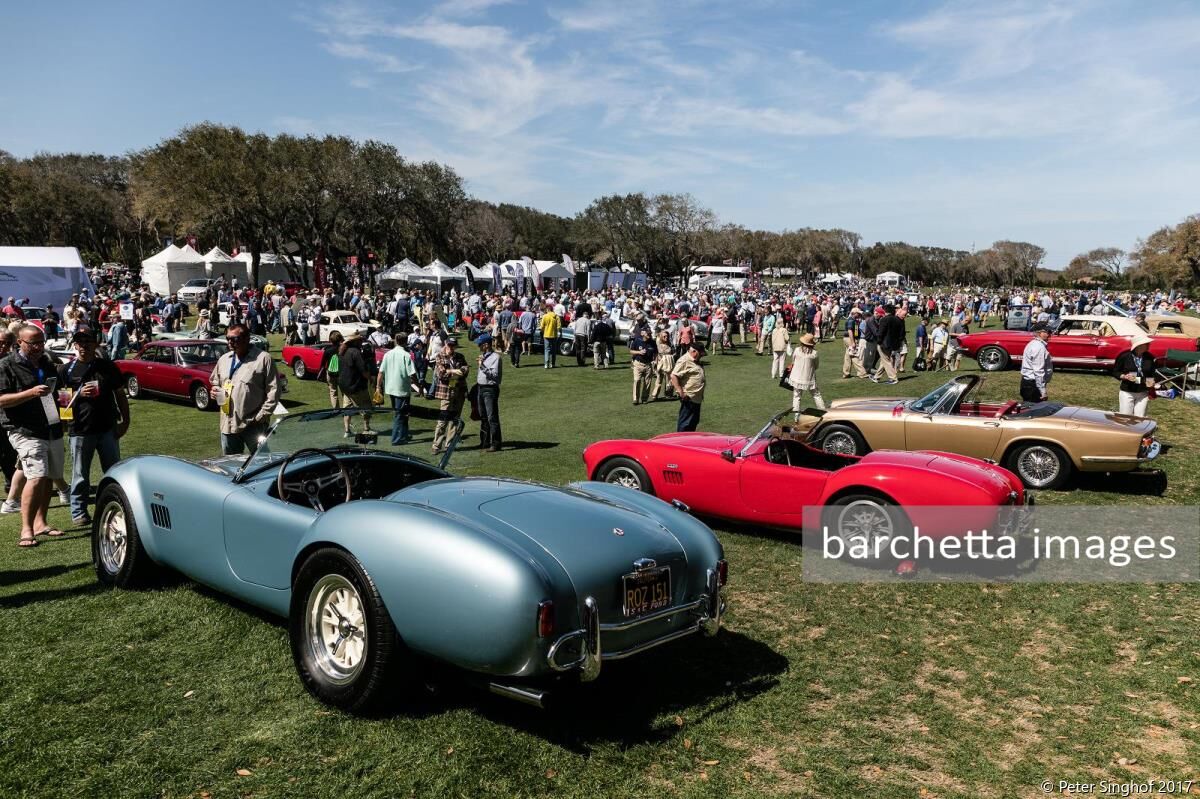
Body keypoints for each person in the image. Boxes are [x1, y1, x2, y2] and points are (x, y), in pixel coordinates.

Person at [56, 327, 129, 525]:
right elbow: (63, 403)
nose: (83, 346)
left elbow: (120, 395)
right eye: (79, 342)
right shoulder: (65, 370)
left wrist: (125, 421)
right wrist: (78, 397)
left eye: (88, 341)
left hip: (107, 427)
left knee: (114, 471)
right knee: (80, 474)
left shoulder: (107, 367)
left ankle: (114, 505)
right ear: (74, 345)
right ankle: (78, 511)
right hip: (80, 429)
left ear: (96, 344)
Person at [0, 325, 66, 545]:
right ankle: (26, 530)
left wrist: (64, 403)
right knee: (36, 476)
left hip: (51, 426)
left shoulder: (47, 363)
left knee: (48, 476)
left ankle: (41, 523)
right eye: (33, 343)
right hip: (23, 430)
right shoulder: (6, 365)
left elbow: (56, 391)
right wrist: (30, 393)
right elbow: (1, 400)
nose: (38, 347)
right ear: (20, 342)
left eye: (41, 342)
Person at [210, 323, 279, 455]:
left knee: (262, 461)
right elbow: (215, 382)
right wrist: (214, 390)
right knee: (231, 463)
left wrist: (260, 417)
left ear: (247, 338)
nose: (230, 342)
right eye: (228, 338)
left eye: (234, 339)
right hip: (228, 423)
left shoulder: (263, 359)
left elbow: (274, 391)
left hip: (254, 424)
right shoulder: (224, 359)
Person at [431, 337, 469, 455]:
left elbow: (465, 371)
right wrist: (454, 372)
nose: (451, 348)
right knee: (443, 420)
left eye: (453, 345)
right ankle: (436, 445)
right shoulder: (439, 356)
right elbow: (441, 374)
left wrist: (451, 371)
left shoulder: (460, 357)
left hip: (459, 391)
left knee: (455, 419)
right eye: (450, 345)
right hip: (446, 392)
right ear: (446, 345)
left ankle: (449, 444)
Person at [377, 333, 416, 445]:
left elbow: (381, 372)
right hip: (402, 390)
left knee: (402, 413)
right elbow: (412, 374)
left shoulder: (388, 354)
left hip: (391, 389)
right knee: (400, 415)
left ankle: (403, 435)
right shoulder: (406, 355)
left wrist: (378, 387)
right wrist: (419, 385)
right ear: (405, 341)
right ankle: (396, 439)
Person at [337, 334, 376, 436]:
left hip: (345, 385)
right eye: (359, 341)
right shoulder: (355, 352)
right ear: (355, 342)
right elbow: (363, 370)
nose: (361, 342)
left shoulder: (342, 351)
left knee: (347, 409)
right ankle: (366, 429)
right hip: (355, 386)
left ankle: (347, 431)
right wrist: (371, 378)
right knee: (366, 406)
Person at [1113, 333, 1156, 416]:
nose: (1149, 345)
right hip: (1127, 391)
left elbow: (1152, 373)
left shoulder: (1149, 357)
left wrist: (1152, 383)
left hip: (1143, 392)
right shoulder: (1125, 356)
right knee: (1125, 417)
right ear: (1139, 345)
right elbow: (1115, 372)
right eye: (1146, 344)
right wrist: (1124, 376)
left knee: (1140, 418)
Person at [474, 333, 502, 452]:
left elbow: (494, 375)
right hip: (481, 388)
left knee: (492, 417)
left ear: (486, 345)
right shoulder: (483, 356)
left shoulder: (496, 357)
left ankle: (495, 443)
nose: (478, 346)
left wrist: (482, 366)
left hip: (490, 390)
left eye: (480, 344)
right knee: (483, 417)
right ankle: (484, 442)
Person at [670, 342, 706, 433]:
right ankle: (680, 444)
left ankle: (689, 441)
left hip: (696, 398)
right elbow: (674, 376)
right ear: (694, 351)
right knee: (685, 424)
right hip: (688, 398)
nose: (701, 356)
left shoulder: (694, 360)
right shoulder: (684, 360)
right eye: (700, 354)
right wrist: (681, 392)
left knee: (693, 422)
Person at [789, 333, 825, 415]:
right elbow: (816, 366)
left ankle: (796, 415)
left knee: (796, 396)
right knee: (816, 395)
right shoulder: (814, 353)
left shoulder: (797, 350)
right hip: (808, 378)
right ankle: (823, 411)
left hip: (797, 377)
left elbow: (793, 361)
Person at [1019, 322, 1053, 402]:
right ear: (1038, 333)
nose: (1049, 334)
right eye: (1046, 332)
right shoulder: (1039, 347)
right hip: (1033, 386)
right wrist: (1042, 391)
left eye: (1049, 332)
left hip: (1028, 383)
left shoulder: (1033, 343)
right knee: (1034, 411)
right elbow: (1038, 371)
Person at [873, 304, 902, 384]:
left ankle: (893, 378)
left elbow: (881, 332)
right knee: (885, 360)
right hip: (893, 344)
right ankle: (876, 377)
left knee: (886, 361)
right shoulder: (898, 320)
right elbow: (901, 333)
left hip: (884, 343)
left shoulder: (884, 319)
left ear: (885, 311)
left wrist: (879, 341)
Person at [629, 324, 655, 405]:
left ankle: (644, 399)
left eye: (650, 333)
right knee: (637, 380)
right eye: (648, 334)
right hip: (638, 364)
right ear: (643, 334)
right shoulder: (637, 340)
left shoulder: (653, 342)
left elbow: (656, 353)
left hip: (648, 365)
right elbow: (631, 351)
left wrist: (655, 361)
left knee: (647, 382)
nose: (650, 335)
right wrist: (639, 352)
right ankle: (635, 399)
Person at [651, 329, 676, 400]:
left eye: (667, 336)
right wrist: (655, 363)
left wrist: (673, 355)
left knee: (670, 380)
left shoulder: (669, 344)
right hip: (661, 365)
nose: (666, 338)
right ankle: (654, 395)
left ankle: (669, 394)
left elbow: (673, 353)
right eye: (664, 336)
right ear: (661, 337)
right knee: (659, 380)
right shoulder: (658, 345)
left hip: (670, 365)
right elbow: (656, 355)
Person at [842, 308, 863, 379]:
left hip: (847, 338)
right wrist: (853, 342)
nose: (860, 314)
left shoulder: (853, 320)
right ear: (854, 313)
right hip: (850, 339)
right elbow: (850, 331)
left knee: (848, 356)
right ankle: (861, 373)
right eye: (858, 313)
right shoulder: (851, 320)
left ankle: (846, 373)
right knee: (854, 355)